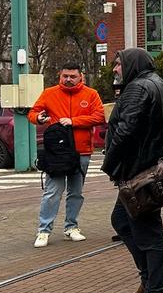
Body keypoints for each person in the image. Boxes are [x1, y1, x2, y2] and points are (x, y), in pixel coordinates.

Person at [101, 48, 163, 293]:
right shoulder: (160, 84)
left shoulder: (137, 89)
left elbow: (125, 132)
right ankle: (148, 281)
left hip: (139, 175)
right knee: (122, 221)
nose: (115, 69)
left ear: (132, 64)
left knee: (148, 234)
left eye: (119, 64)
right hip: (150, 171)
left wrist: (109, 163)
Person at [27, 62, 105, 247]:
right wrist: (39, 118)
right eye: (65, 76)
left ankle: (71, 227)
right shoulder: (49, 93)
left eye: (72, 76)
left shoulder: (91, 94)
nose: (68, 80)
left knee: (76, 192)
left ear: (81, 77)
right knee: (52, 192)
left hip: (81, 151)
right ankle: (44, 230)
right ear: (60, 76)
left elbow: (99, 116)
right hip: (57, 153)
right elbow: (33, 113)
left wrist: (73, 121)